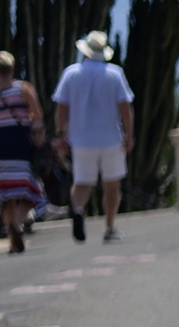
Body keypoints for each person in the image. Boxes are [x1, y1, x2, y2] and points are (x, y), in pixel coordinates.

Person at [53, 29, 132, 242]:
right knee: (112, 184)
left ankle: (78, 209)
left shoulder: (71, 74)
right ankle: (109, 227)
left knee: (81, 182)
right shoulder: (115, 74)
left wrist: (61, 133)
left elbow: (62, 107)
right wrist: (129, 134)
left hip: (80, 138)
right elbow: (124, 107)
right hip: (110, 138)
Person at [0, 52, 46, 253]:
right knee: (30, 190)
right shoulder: (23, 89)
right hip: (19, 144)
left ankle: (12, 237)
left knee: (5, 194)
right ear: (12, 69)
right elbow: (37, 115)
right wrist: (40, 139)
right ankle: (17, 224)